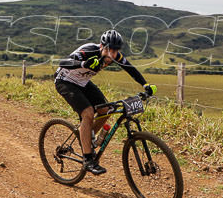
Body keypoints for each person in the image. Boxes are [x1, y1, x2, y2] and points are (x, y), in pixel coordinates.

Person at [54, 29, 156, 175]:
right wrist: (83, 63)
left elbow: (131, 69)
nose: (111, 54)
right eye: (109, 49)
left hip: (83, 82)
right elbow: (63, 62)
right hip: (65, 81)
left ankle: (87, 139)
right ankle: (88, 159)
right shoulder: (89, 51)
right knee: (88, 113)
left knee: (106, 110)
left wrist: (145, 85)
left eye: (115, 51)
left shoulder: (116, 56)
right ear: (102, 46)